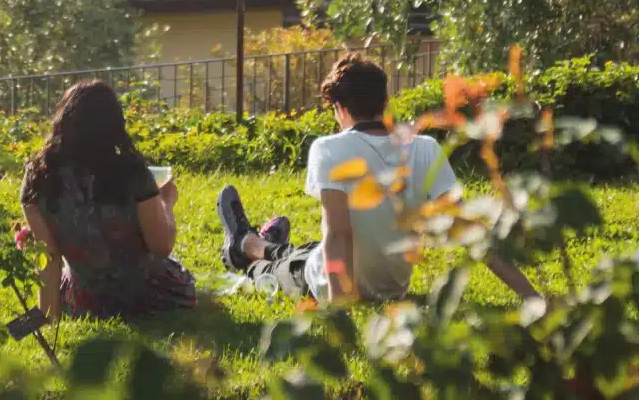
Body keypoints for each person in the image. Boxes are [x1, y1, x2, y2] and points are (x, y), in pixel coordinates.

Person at [217, 53, 540, 303]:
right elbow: (472, 231)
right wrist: (531, 296)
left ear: (340, 108)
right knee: (306, 252)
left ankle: (244, 248)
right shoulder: (426, 149)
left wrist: (340, 307)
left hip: (327, 282)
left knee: (279, 268)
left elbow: (339, 233)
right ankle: (258, 242)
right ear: (385, 103)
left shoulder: (328, 148)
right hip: (391, 287)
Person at [20, 79, 196, 320]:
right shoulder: (131, 170)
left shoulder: (38, 177)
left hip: (86, 304)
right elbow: (161, 247)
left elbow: (48, 257)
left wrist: (47, 318)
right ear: (115, 124)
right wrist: (166, 201)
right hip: (154, 298)